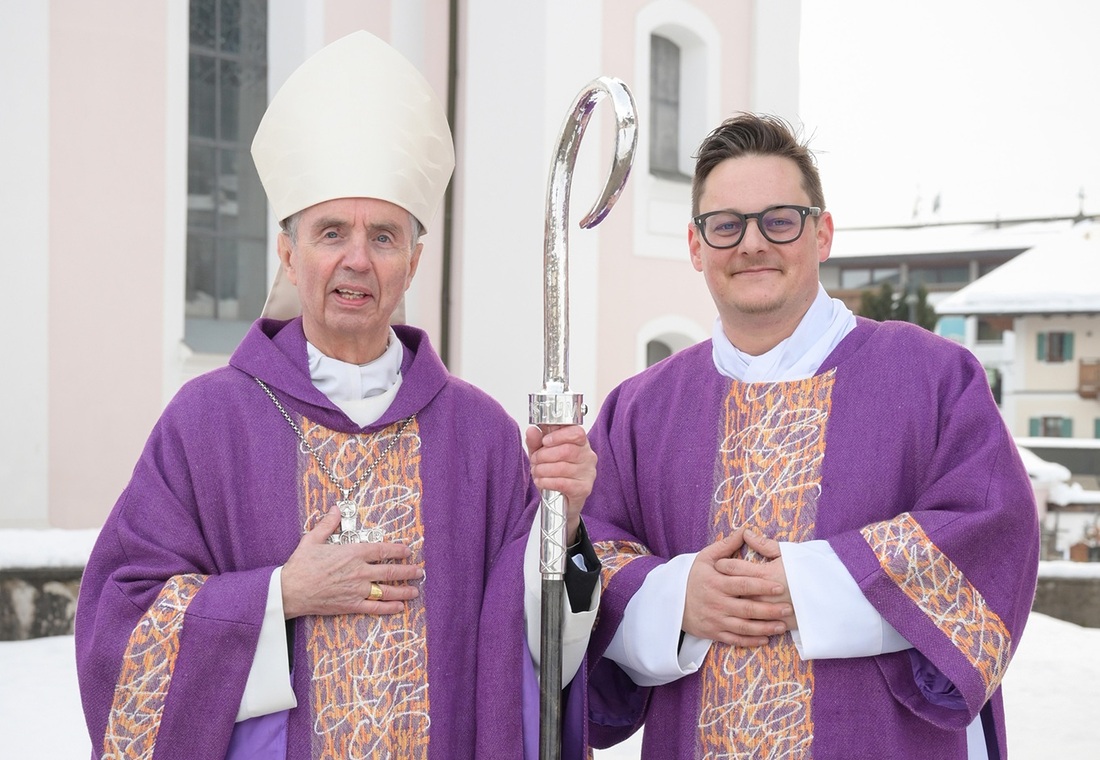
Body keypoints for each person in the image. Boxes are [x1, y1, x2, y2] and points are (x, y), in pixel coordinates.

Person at [75, 31, 600, 760]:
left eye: (383, 236)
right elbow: (117, 629)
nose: (357, 258)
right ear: (289, 254)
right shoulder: (207, 423)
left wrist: (563, 530)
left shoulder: (478, 435)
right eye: (331, 232)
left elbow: (535, 652)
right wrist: (277, 596)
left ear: (413, 263)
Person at [583, 113, 1039, 759]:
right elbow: (589, 547)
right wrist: (671, 598)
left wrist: (812, 585)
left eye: (779, 220)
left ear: (821, 232)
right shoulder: (640, 406)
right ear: (695, 245)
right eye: (726, 225)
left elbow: (992, 528)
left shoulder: (931, 375)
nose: (752, 244)